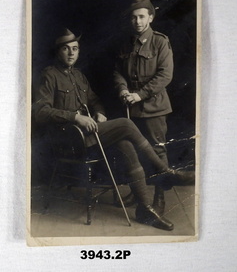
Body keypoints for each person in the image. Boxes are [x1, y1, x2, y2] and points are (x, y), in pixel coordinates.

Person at [33, 28, 194, 231]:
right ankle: (164, 172)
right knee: (126, 125)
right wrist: (76, 117)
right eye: (66, 49)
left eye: (75, 48)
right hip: (67, 140)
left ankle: (144, 210)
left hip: (88, 136)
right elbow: (40, 112)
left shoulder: (79, 76)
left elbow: (95, 100)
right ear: (58, 52)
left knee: (126, 143)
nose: (71, 53)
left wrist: (99, 113)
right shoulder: (49, 76)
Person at [114, 0, 174, 215]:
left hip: (154, 107)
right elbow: (118, 71)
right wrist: (122, 89)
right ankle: (139, 194)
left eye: (141, 16)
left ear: (150, 17)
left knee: (158, 152)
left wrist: (139, 95)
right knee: (133, 154)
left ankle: (159, 197)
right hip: (131, 108)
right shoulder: (125, 43)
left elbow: (165, 75)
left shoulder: (160, 42)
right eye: (133, 17)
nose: (137, 21)